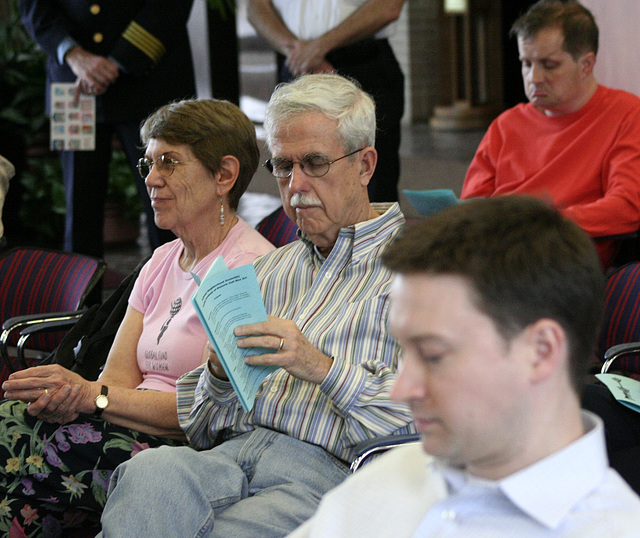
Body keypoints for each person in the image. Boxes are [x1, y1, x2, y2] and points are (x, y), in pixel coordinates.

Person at [96, 73, 414, 537]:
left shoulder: (423, 272)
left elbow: (432, 417)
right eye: (283, 166)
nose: (296, 185)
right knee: (149, 475)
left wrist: (322, 367)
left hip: (325, 473)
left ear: (365, 166)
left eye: (315, 163)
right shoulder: (269, 272)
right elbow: (201, 425)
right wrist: (220, 377)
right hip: (229, 456)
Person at [0, 98, 275, 536]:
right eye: (148, 162)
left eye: (169, 162)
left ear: (224, 175)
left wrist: (92, 398)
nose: (151, 179)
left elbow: (209, 411)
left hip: (188, 451)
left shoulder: (250, 271)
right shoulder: (162, 260)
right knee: (13, 424)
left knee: (43, 451)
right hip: (123, 423)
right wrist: (74, 395)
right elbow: (115, 378)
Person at [291, 195, 640, 537]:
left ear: (541, 352)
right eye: (403, 351)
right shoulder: (390, 474)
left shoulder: (610, 528)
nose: (401, 389)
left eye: (433, 355)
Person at [460, 0, 640, 270]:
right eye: (526, 63)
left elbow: (625, 208)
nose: (534, 77)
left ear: (586, 64)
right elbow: (471, 205)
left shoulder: (626, 113)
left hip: (563, 261)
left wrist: (537, 223)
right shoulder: (506, 124)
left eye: (549, 65)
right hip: (495, 254)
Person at [18, 0, 196, 263]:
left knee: (168, 202)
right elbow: (34, 6)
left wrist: (119, 60)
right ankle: (82, 305)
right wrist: (74, 55)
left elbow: (169, 6)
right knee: (79, 211)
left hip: (151, 79)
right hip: (73, 82)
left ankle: (176, 300)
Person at [247, 0, 406, 204]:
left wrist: (318, 48)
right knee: (297, 173)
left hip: (361, 60)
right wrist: (298, 53)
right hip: (294, 62)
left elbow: (388, 6)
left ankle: (375, 236)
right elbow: (255, 7)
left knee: (372, 178)